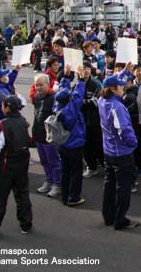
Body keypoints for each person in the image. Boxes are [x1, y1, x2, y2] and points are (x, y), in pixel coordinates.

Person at [0, 95, 32, 236]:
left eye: (3, 105)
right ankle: (26, 224)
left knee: (0, 198)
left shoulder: (4, 125)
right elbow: (27, 140)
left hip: (6, 168)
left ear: (7, 108)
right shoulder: (23, 121)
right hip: (22, 166)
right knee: (23, 195)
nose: (1, 107)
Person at [98, 72, 139, 230]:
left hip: (108, 151)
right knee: (123, 188)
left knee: (109, 185)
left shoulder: (102, 100)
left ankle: (108, 216)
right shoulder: (118, 106)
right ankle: (120, 219)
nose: (123, 88)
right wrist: (133, 143)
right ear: (114, 89)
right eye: (121, 86)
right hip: (122, 153)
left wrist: (125, 71)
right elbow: (124, 131)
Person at [54, 65, 87, 207]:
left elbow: (62, 91)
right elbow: (78, 96)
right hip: (74, 144)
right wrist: (80, 79)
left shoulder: (57, 106)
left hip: (63, 144)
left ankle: (65, 196)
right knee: (76, 172)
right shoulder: (70, 110)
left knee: (65, 171)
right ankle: (74, 197)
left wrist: (66, 77)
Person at [30, 73, 61, 198]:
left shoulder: (54, 98)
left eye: (41, 85)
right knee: (44, 160)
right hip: (38, 134)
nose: (38, 88)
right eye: (36, 85)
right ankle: (49, 180)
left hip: (50, 136)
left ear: (48, 85)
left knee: (54, 161)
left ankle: (57, 184)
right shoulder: (37, 97)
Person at [81, 61, 103, 179]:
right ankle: (91, 166)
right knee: (86, 145)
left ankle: (105, 165)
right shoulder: (77, 84)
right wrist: (85, 102)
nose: (85, 71)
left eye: (87, 68)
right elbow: (74, 100)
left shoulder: (95, 84)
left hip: (95, 120)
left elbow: (96, 101)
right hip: (82, 120)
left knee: (98, 144)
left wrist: (84, 102)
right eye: (83, 68)